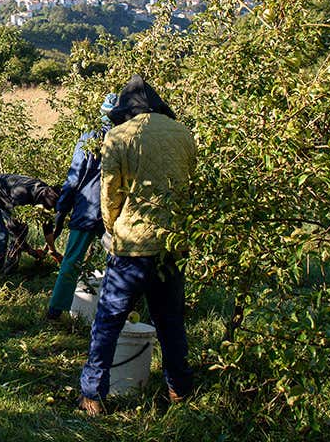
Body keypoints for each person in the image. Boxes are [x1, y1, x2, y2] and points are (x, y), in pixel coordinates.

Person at [78, 75, 196, 416]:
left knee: (108, 323)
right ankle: (179, 392)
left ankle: (93, 397)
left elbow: (109, 194)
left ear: (126, 110)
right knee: (171, 322)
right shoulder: (183, 133)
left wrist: (113, 230)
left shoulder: (118, 136)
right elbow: (190, 186)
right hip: (172, 244)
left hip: (131, 246)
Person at [46, 93, 118, 321]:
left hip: (87, 207)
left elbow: (75, 176)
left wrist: (62, 209)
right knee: (118, 262)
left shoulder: (89, 138)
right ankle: (114, 313)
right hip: (113, 210)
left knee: (72, 261)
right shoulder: (124, 138)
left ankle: (55, 311)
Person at [0, 173, 59, 275]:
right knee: (2, 234)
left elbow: (47, 225)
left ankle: (10, 269)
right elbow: (14, 229)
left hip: (4, 195)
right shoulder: (21, 194)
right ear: (41, 202)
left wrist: (52, 251)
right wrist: (32, 252)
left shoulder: (48, 193)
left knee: (22, 228)